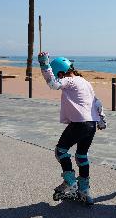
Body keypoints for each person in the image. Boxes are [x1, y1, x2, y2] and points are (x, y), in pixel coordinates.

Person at [38, 52, 106, 205]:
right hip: (91, 124)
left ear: (61, 73)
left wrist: (44, 65)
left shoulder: (69, 80)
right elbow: (97, 102)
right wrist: (102, 120)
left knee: (61, 151)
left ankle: (70, 183)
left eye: (59, 75)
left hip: (79, 123)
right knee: (82, 156)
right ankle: (85, 190)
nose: (59, 78)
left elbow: (53, 84)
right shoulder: (85, 82)